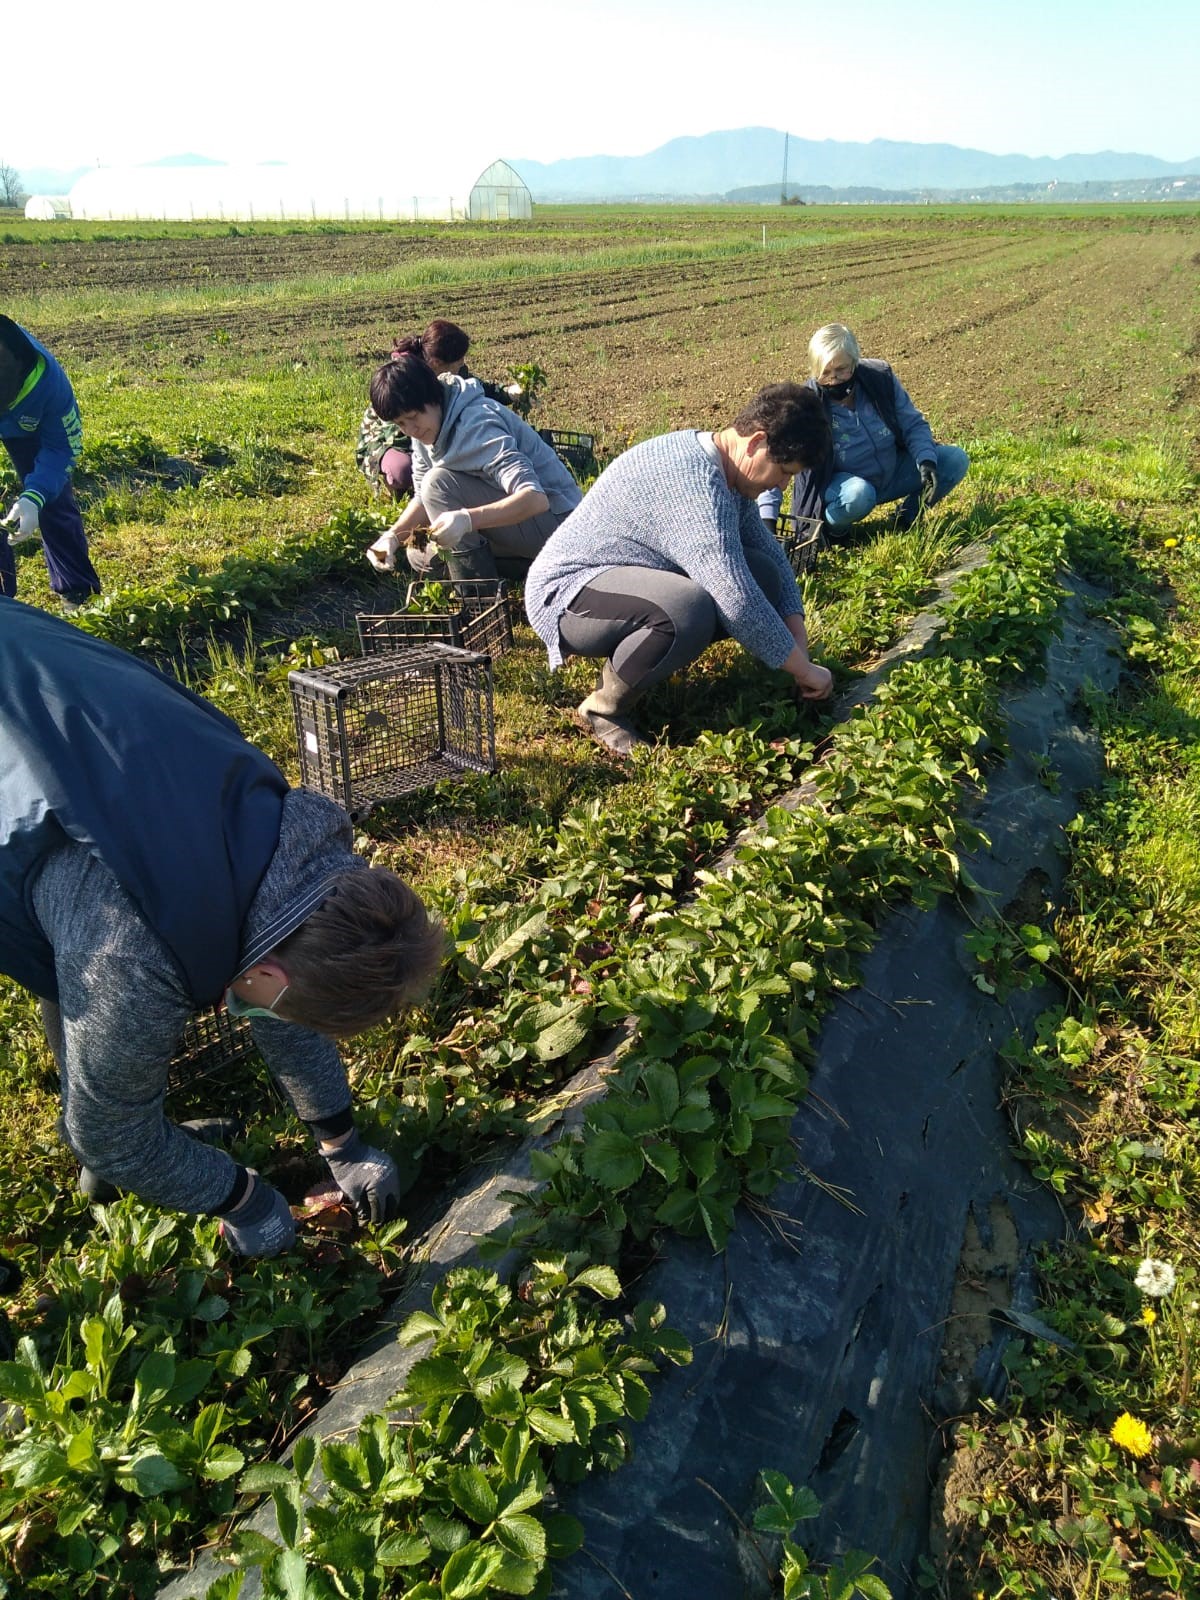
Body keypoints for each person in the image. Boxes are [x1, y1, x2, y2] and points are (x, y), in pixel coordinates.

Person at [0, 603, 444, 1259]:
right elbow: (112, 1132)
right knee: (89, 992)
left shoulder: (285, 843)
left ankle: (101, 1163)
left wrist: (341, 1142)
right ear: (267, 974)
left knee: (68, 938)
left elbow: (285, 982)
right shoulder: (130, 955)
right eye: (269, 998)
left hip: (30, 666)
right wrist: (244, 1199)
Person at [524, 383, 835, 757]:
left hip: (629, 580)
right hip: (569, 593)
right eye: (783, 471)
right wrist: (803, 670)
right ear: (755, 443)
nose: (781, 485)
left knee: (762, 572)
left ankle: (652, 657)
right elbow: (734, 598)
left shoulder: (727, 473)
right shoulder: (693, 482)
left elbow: (770, 555)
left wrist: (799, 644)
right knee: (687, 608)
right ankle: (603, 709)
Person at [364, 353, 581, 583]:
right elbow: (422, 500)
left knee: (436, 483)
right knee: (420, 556)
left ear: (433, 398)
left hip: (558, 525)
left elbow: (535, 499)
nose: (410, 430)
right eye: (400, 424)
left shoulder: (476, 424)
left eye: (413, 417)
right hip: (518, 526)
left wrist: (468, 520)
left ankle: (478, 590)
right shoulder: (424, 432)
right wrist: (392, 537)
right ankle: (518, 566)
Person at [757, 323, 969, 538]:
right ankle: (835, 532)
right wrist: (767, 519)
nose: (833, 380)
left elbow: (912, 423)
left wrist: (925, 459)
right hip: (845, 488)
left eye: (841, 370)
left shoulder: (879, 378)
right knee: (859, 493)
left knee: (954, 460)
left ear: (854, 362)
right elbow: (776, 460)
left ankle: (906, 517)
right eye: (825, 373)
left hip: (892, 472)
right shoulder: (806, 405)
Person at [0, 316, 102, 612]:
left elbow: (61, 449)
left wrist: (34, 496)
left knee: (52, 499)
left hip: (26, 426)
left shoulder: (50, 388)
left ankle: (77, 591)